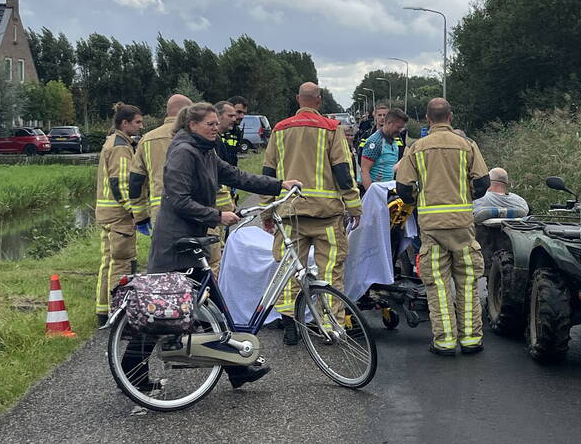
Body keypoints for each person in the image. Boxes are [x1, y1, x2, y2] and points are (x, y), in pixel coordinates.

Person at [146, 102, 300, 388]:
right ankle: (133, 371)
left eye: (218, 123)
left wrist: (278, 184)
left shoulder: (205, 151)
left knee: (212, 309)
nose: (217, 128)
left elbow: (238, 176)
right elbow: (177, 199)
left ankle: (237, 369)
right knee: (163, 311)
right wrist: (217, 215)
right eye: (211, 124)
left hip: (191, 240)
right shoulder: (183, 152)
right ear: (193, 125)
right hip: (174, 244)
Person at [261, 82, 363, 345]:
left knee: (287, 269)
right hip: (326, 214)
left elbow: (268, 173)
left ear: (298, 100)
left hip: (289, 212)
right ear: (319, 101)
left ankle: (289, 323)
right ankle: (329, 326)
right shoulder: (331, 129)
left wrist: (267, 210)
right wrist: (354, 206)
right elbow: (343, 171)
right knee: (330, 271)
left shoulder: (279, 129)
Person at [396, 98, 490, 356]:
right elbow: (482, 183)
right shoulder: (467, 146)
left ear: (428, 120)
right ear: (450, 118)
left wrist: (419, 201)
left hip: (432, 227)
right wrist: (464, 197)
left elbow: (403, 187)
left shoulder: (416, 148)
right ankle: (471, 339)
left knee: (437, 285)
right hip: (462, 226)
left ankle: (445, 341)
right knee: (468, 281)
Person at [95, 102, 144, 325]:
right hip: (119, 215)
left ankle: (103, 311)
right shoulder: (121, 147)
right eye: (137, 122)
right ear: (124, 123)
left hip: (107, 212)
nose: (141, 126)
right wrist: (135, 212)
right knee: (121, 263)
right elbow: (122, 183)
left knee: (108, 262)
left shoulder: (112, 142)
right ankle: (118, 316)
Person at [129, 94, 191, 231]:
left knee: (166, 251)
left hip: (161, 212)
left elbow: (136, 182)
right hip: (196, 210)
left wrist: (141, 216)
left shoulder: (147, 139)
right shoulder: (198, 134)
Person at [360, 107, 409, 190]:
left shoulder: (393, 140)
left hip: (387, 189)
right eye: (398, 127)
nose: (400, 131)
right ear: (389, 123)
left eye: (402, 128)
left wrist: (406, 156)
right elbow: (364, 171)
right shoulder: (375, 142)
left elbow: (390, 168)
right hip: (376, 191)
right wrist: (372, 195)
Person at [214, 100, 240, 167]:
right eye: (230, 116)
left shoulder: (230, 135)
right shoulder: (211, 139)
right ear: (218, 116)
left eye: (234, 116)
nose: (234, 119)